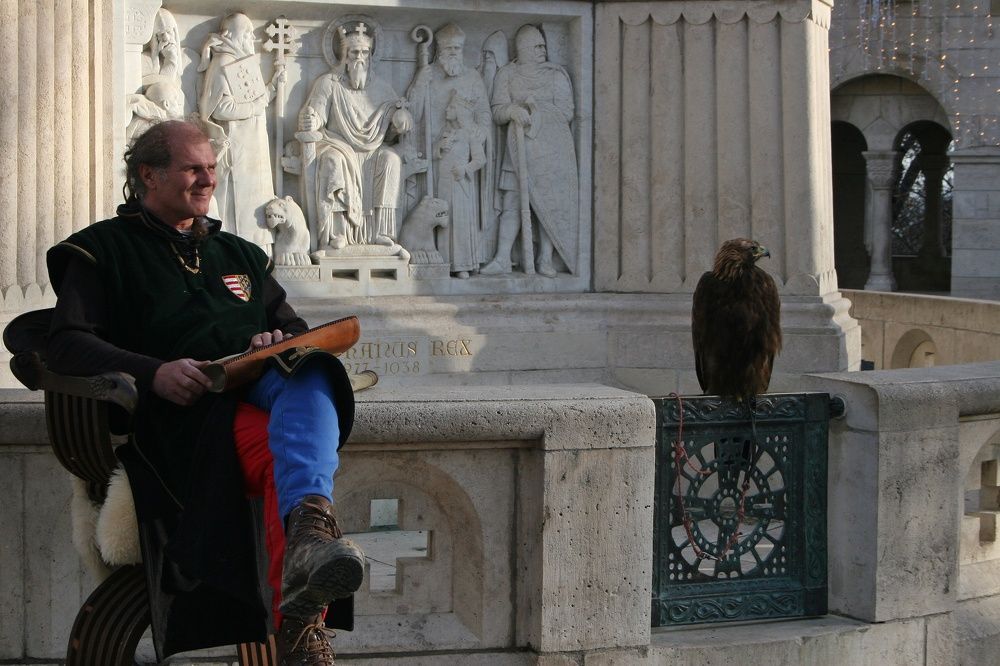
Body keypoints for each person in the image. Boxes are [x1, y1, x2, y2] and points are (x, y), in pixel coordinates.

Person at [45, 119, 363, 666]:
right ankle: (300, 627)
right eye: (193, 168)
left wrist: (274, 340)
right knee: (285, 456)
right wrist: (153, 372)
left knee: (311, 367)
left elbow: (292, 328)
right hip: (182, 417)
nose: (208, 179)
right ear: (149, 175)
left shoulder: (240, 253)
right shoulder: (100, 249)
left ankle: (310, 537)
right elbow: (66, 343)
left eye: (212, 168)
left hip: (256, 387)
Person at [298, 21, 414, 251]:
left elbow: (392, 129)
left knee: (391, 160)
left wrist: (400, 120)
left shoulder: (382, 88)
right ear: (344, 56)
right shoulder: (328, 83)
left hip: (373, 151)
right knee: (332, 160)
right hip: (338, 146)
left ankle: (382, 232)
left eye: (364, 52)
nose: (360, 58)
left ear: (371, 56)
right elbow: (317, 113)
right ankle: (338, 231)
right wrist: (311, 119)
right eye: (354, 52)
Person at [480, 25, 579, 278]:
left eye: (543, 46)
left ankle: (545, 258)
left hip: (550, 152)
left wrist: (537, 112)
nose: (542, 50)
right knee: (512, 203)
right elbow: (497, 110)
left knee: (547, 205)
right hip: (517, 150)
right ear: (522, 48)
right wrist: (512, 111)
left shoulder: (556, 75)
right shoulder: (507, 74)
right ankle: (503, 257)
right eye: (536, 46)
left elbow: (567, 112)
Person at [198, 12, 284, 254]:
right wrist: (255, 107)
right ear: (230, 35)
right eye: (245, 34)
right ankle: (235, 252)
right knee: (240, 208)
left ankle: (258, 251)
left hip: (254, 146)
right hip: (237, 148)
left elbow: (257, 98)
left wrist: (273, 85)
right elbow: (221, 109)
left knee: (256, 200)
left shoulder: (243, 62)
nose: (250, 39)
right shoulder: (223, 63)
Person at [434, 92, 487, 278]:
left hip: (460, 185)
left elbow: (480, 159)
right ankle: (445, 261)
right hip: (444, 184)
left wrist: (465, 169)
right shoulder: (446, 132)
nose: (447, 110)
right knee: (444, 221)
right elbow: (434, 152)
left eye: (451, 107)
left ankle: (462, 264)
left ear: (460, 112)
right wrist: (439, 147)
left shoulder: (470, 134)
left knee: (460, 223)